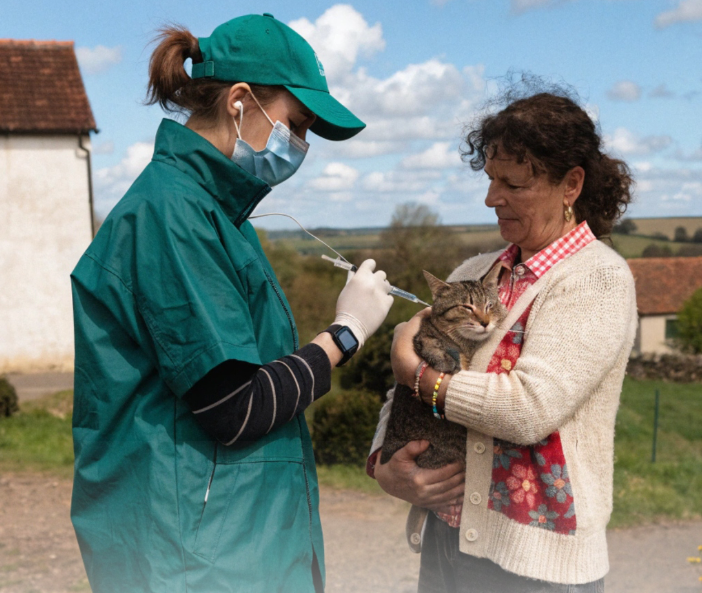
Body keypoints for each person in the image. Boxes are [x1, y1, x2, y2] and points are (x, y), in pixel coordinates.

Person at [70, 14, 393, 593]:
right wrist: (346, 332)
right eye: (298, 124)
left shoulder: (220, 215)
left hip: (237, 542)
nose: (303, 145)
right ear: (241, 101)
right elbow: (235, 407)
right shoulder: (172, 215)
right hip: (197, 559)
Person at [370, 85, 638, 592]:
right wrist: (385, 465)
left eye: (513, 184)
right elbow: (403, 395)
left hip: (539, 568)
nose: (492, 198)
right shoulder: (474, 273)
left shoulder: (597, 279)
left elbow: (528, 409)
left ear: (571, 185)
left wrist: (418, 375)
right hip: (445, 545)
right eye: (492, 180)